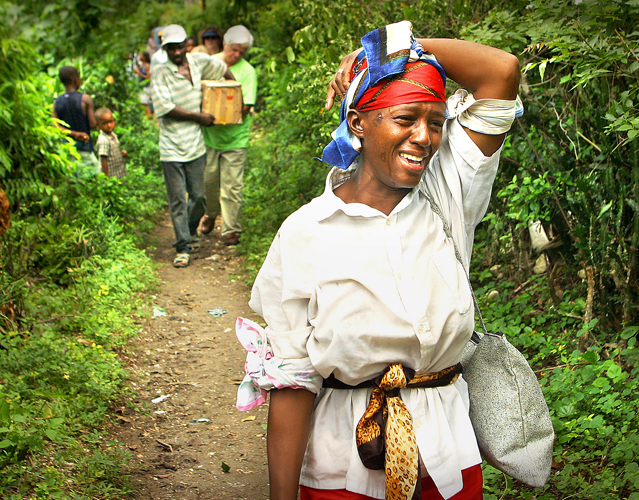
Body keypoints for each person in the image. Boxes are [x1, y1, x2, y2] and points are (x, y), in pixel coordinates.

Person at [235, 21, 522, 500]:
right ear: (358, 124)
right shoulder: (306, 233)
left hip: (448, 462)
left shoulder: (448, 195)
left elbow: (502, 71)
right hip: (340, 470)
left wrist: (398, 47)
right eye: (405, 119)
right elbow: (292, 380)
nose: (424, 138)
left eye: (435, 122)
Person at [151, 24, 234, 268]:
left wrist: (234, 94)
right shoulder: (160, 71)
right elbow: (164, 108)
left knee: (199, 197)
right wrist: (199, 117)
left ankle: (188, 230)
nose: (176, 52)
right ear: (164, 49)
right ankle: (183, 247)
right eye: (170, 49)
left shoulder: (198, 61)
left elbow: (223, 68)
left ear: (186, 45)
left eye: (179, 47)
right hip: (170, 146)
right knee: (177, 199)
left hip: (195, 145)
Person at [198, 25, 257, 246]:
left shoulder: (248, 71)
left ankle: (231, 229)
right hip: (209, 136)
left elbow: (246, 105)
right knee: (209, 181)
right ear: (225, 44)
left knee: (232, 185)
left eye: (242, 52)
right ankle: (211, 214)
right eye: (234, 50)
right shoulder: (208, 63)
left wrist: (225, 113)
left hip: (235, 138)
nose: (237, 55)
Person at [52, 66, 99, 176]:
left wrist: (73, 134)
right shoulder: (85, 99)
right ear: (76, 80)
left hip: (67, 149)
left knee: (74, 178)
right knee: (96, 177)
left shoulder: (57, 101)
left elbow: (55, 125)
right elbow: (92, 124)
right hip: (84, 147)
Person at [95, 107, 127, 178]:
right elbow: (104, 160)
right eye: (105, 123)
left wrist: (121, 153)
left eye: (111, 121)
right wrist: (106, 178)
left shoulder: (113, 135)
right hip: (112, 176)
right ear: (98, 125)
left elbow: (111, 153)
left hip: (119, 173)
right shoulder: (103, 140)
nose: (109, 125)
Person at [133, 51, 152, 117]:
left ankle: (149, 117)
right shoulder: (142, 65)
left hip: (146, 87)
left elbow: (149, 77)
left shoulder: (147, 66)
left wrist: (139, 73)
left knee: (145, 104)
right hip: (142, 87)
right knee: (143, 104)